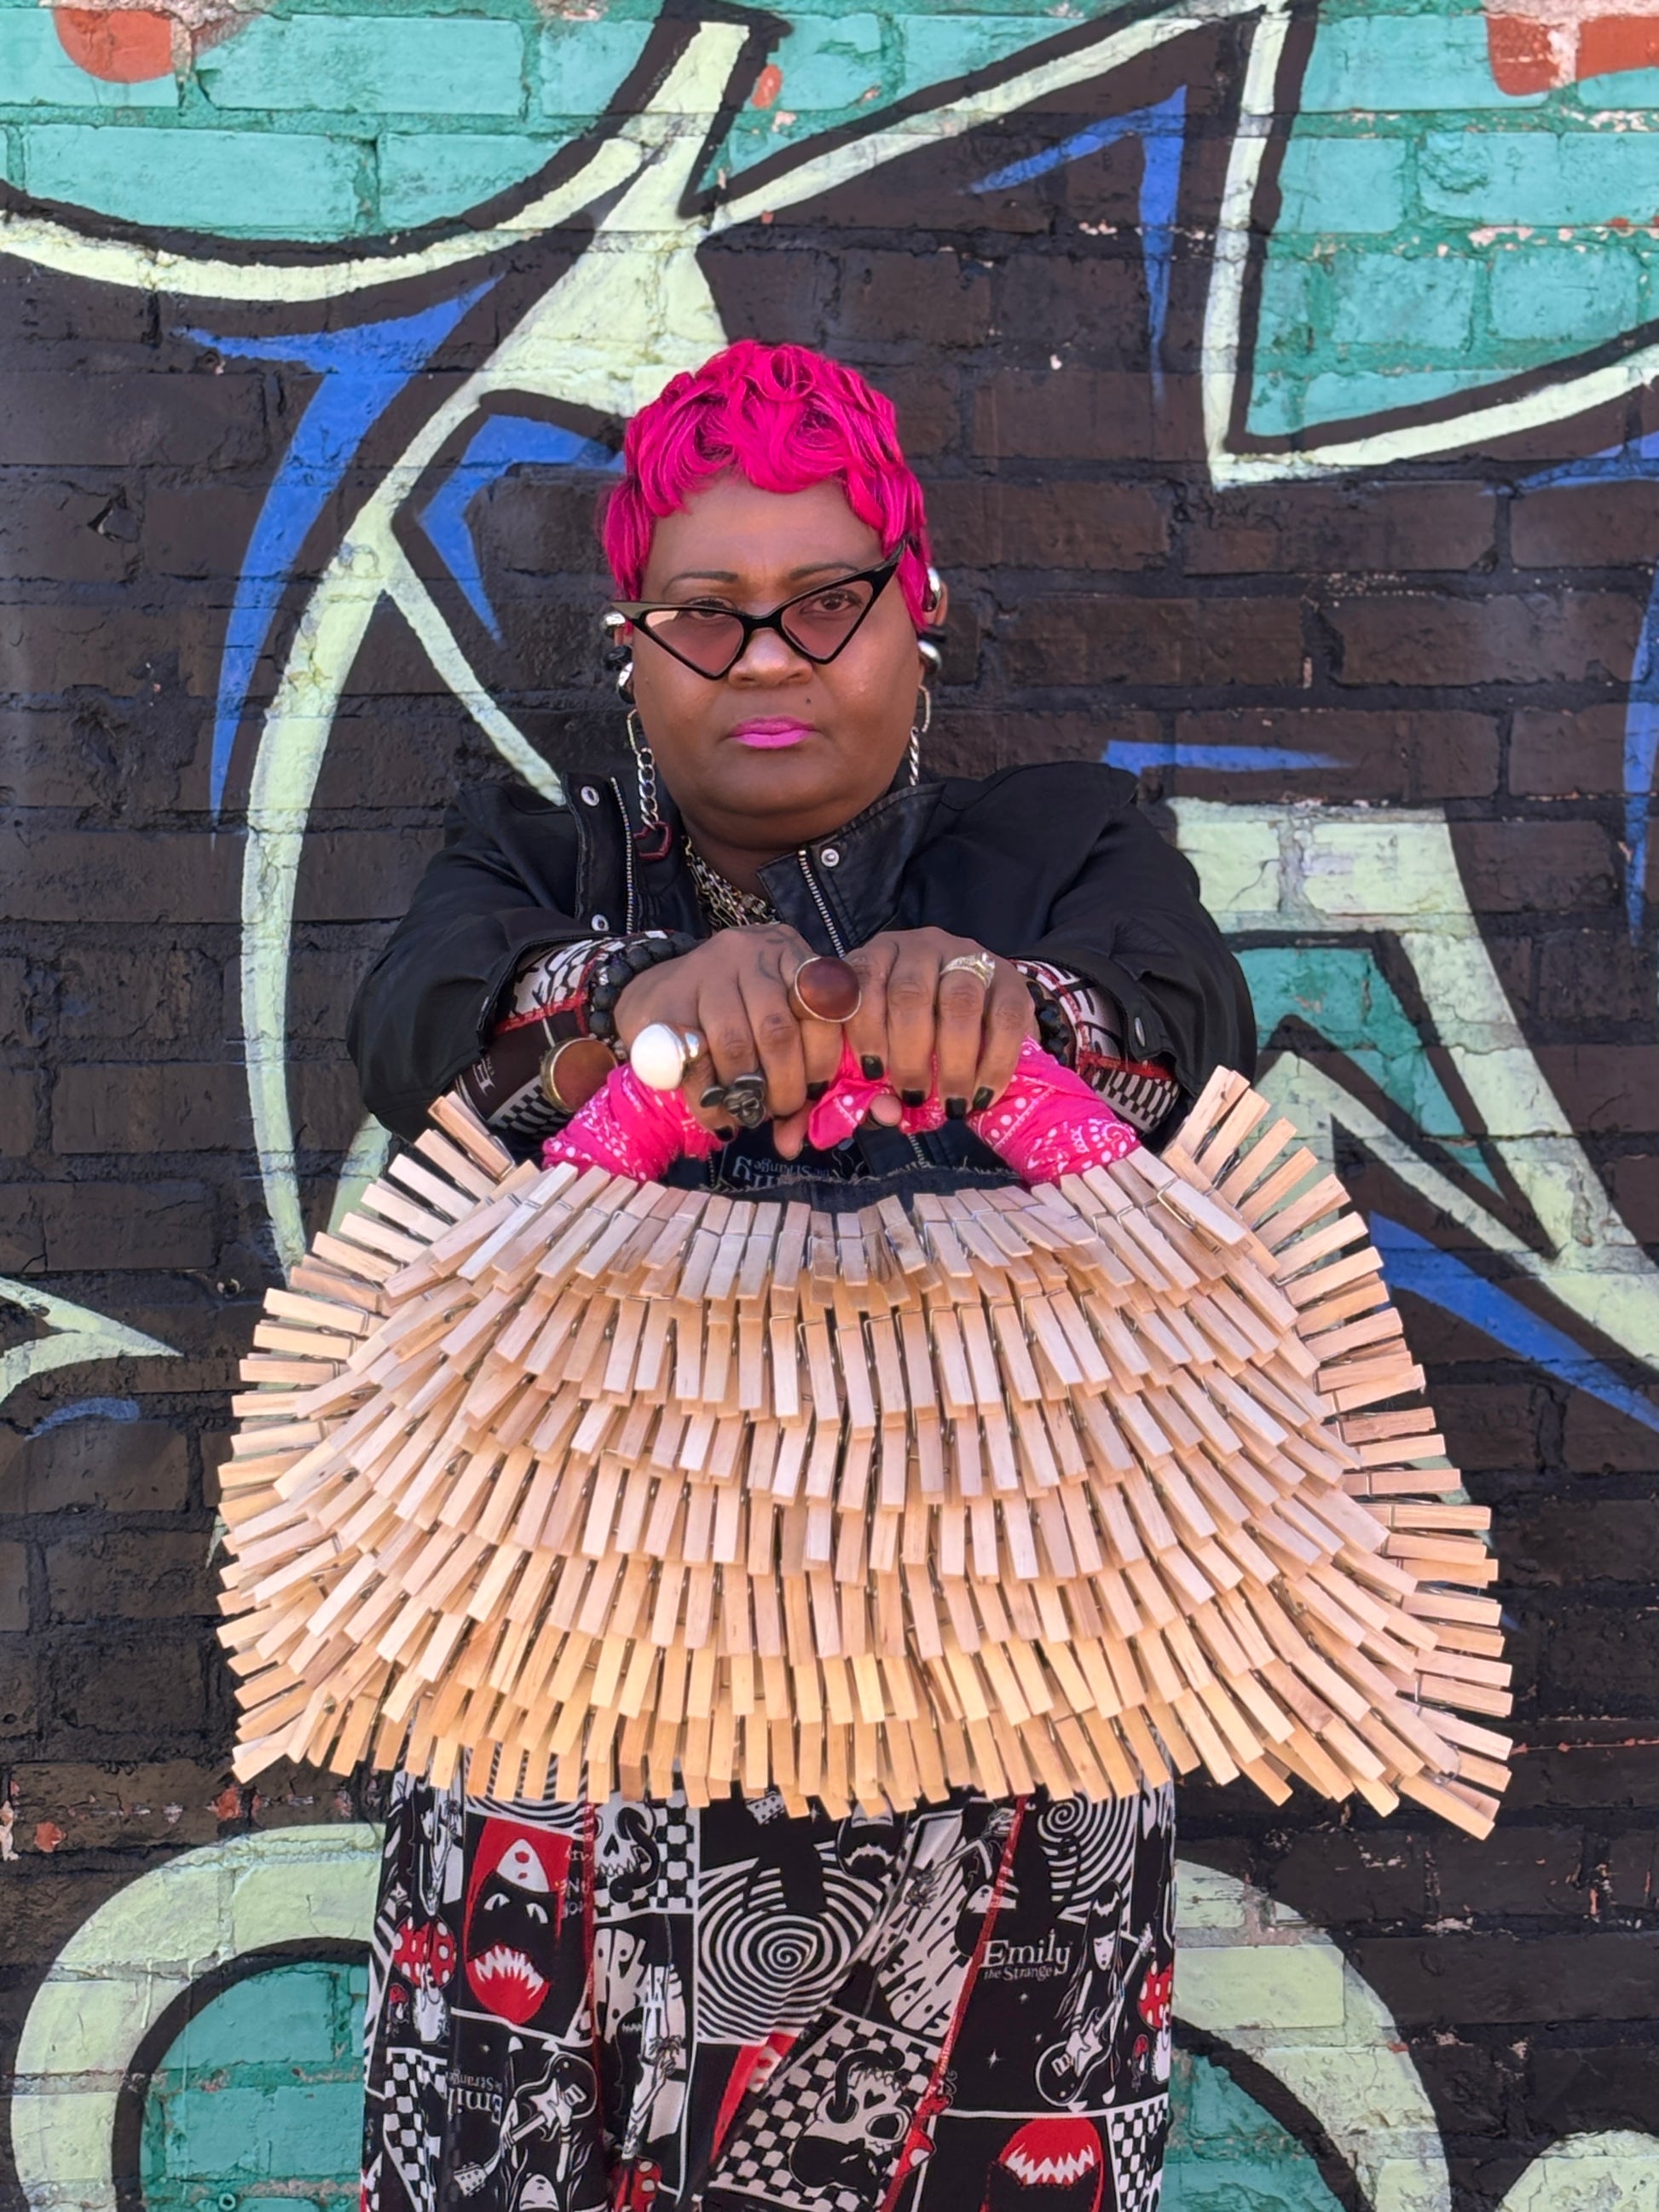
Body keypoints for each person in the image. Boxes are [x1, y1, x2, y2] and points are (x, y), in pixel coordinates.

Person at [349, 341, 1251, 2212]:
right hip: (570, 1764)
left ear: (919, 613)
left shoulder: (1057, 848)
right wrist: (634, 1006)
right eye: (707, 614)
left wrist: (1011, 1018)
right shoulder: (536, 860)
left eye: (824, 601)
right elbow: (417, 1033)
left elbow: (1183, 1039)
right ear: (633, 648)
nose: (765, 659)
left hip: (1005, 1755)